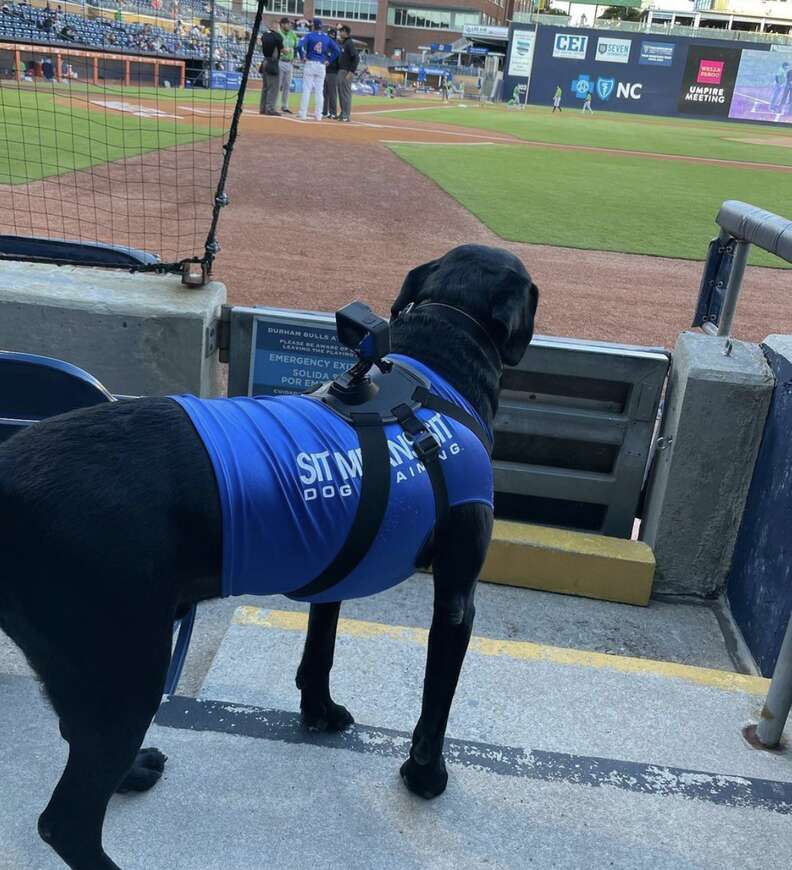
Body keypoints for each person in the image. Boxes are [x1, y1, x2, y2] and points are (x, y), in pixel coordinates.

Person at [296, 18, 339, 122]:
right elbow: (337, 50)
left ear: (313, 26)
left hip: (310, 63)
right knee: (319, 91)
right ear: (321, 26)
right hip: (321, 65)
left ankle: (303, 113)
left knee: (307, 89)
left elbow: (299, 45)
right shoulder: (326, 37)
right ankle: (318, 115)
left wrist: (302, 56)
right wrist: (329, 60)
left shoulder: (309, 35)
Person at [259, 21, 283, 116]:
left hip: (264, 61)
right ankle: (270, 108)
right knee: (273, 87)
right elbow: (282, 49)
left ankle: (263, 108)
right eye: (278, 27)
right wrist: (288, 50)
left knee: (265, 87)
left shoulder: (264, 35)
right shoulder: (277, 36)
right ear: (275, 27)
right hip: (272, 63)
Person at [336, 24, 358, 122]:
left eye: (341, 31)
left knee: (345, 93)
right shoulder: (345, 43)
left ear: (345, 32)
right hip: (341, 70)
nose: (340, 33)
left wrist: (351, 72)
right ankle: (343, 112)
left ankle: (346, 114)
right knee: (341, 93)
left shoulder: (349, 43)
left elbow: (356, 58)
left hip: (346, 71)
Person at [278, 17, 297, 113]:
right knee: (278, 85)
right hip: (280, 61)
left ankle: (284, 106)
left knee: (287, 85)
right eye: (287, 23)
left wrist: (295, 58)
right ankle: (273, 105)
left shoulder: (293, 34)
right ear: (282, 24)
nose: (289, 25)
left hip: (289, 62)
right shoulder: (278, 34)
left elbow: (296, 46)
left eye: (289, 24)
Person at [322, 27, 339, 118]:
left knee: (332, 93)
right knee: (325, 92)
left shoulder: (335, 46)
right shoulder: (327, 45)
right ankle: (324, 111)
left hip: (333, 72)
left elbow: (337, 60)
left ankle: (333, 112)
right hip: (325, 71)